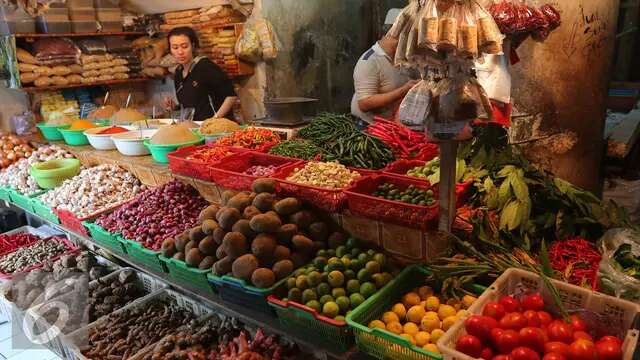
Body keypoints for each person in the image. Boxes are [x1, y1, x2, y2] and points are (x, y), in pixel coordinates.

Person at [350, 10, 419, 127]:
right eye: (409, 36)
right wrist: (403, 90)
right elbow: (364, 103)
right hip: (368, 128)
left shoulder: (404, 58)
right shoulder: (369, 61)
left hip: (392, 125)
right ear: (396, 33)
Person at [163, 27, 237, 121]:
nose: (180, 52)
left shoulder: (205, 67)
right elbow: (193, 105)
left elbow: (231, 95)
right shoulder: (178, 72)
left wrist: (214, 119)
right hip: (194, 128)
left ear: (193, 46)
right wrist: (174, 107)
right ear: (170, 50)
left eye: (185, 46)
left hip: (216, 128)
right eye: (175, 47)